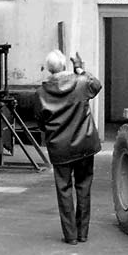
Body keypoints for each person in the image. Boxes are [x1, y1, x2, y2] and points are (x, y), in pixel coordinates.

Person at [34, 49, 102, 245]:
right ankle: (83, 233)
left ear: (49, 69)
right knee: (84, 186)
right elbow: (96, 85)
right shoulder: (81, 84)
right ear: (65, 66)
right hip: (85, 144)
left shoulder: (41, 93)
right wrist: (80, 68)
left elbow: (40, 122)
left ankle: (70, 236)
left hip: (60, 148)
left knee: (64, 190)